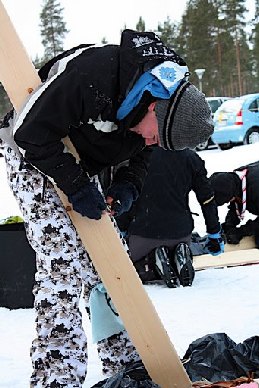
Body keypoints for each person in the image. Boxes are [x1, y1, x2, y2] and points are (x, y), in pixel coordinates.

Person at [0, 29, 214, 387]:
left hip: (79, 162)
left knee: (110, 269)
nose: (151, 142)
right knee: (63, 266)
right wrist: (79, 187)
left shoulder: (158, 100)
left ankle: (126, 366)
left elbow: (145, 150)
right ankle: (57, 378)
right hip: (33, 152)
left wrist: (127, 184)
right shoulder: (93, 74)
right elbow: (30, 134)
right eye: (156, 134)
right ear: (151, 107)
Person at [122, 147, 224, 288]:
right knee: (189, 241)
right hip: (180, 232)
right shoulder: (190, 157)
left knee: (130, 267)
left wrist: (121, 230)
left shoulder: (135, 156)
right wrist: (214, 233)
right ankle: (179, 255)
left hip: (142, 233)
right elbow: (207, 199)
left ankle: (153, 261)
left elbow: (122, 201)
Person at [209, 161, 259, 248]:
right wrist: (229, 225)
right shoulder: (237, 181)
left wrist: (242, 231)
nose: (228, 202)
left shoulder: (255, 189)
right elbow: (236, 205)